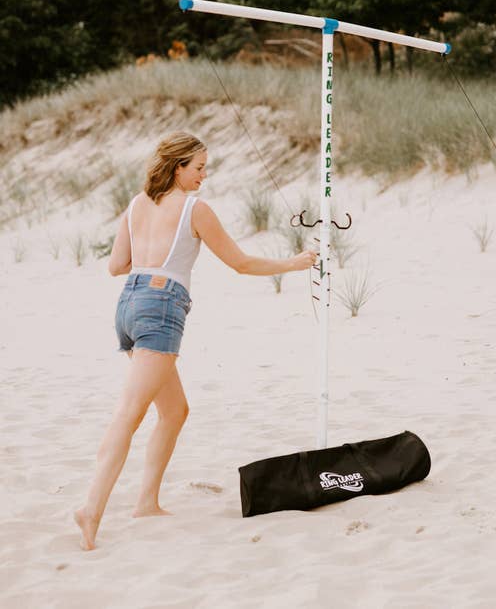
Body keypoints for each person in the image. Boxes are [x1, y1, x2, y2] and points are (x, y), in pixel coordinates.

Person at [75, 131, 317, 550]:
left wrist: (150, 256)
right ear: (177, 167)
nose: (204, 176)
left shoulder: (136, 205)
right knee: (130, 413)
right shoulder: (194, 209)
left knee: (174, 411)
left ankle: (146, 502)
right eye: (199, 168)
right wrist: (293, 264)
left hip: (128, 305)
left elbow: (116, 266)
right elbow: (240, 263)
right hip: (161, 308)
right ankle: (91, 509)